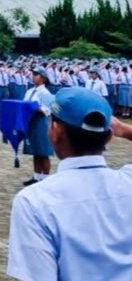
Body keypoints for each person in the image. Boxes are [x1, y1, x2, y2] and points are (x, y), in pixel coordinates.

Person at [7, 87, 132, 281]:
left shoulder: (34, 201)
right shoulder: (127, 180)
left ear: (55, 131)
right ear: (109, 136)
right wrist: (124, 130)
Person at [21, 67, 54, 186]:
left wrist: (35, 107)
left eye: (36, 74)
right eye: (33, 74)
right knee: (35, 151)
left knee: (43, 151)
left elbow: (48, 111)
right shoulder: (29, 91)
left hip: (41, 122)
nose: (33, 76)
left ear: (43, 78)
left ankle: (45, 179)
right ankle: (36, 176)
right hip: (31, 122)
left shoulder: (46, 93)